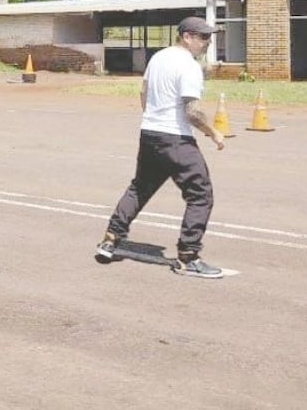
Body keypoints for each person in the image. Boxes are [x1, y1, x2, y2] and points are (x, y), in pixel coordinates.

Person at [95, 16, 226, 279]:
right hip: (175, 138)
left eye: (209, 37)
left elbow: (144, 92)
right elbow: (192, 111)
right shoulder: (188, 66)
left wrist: (153, 118)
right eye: (203, 37)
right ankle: (188, 257)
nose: (207, 43)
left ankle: (111, 238)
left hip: (150, 134)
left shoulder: (159, 58)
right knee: (200, 194)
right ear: (187, 36)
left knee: (140, 187)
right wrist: (213, 133)